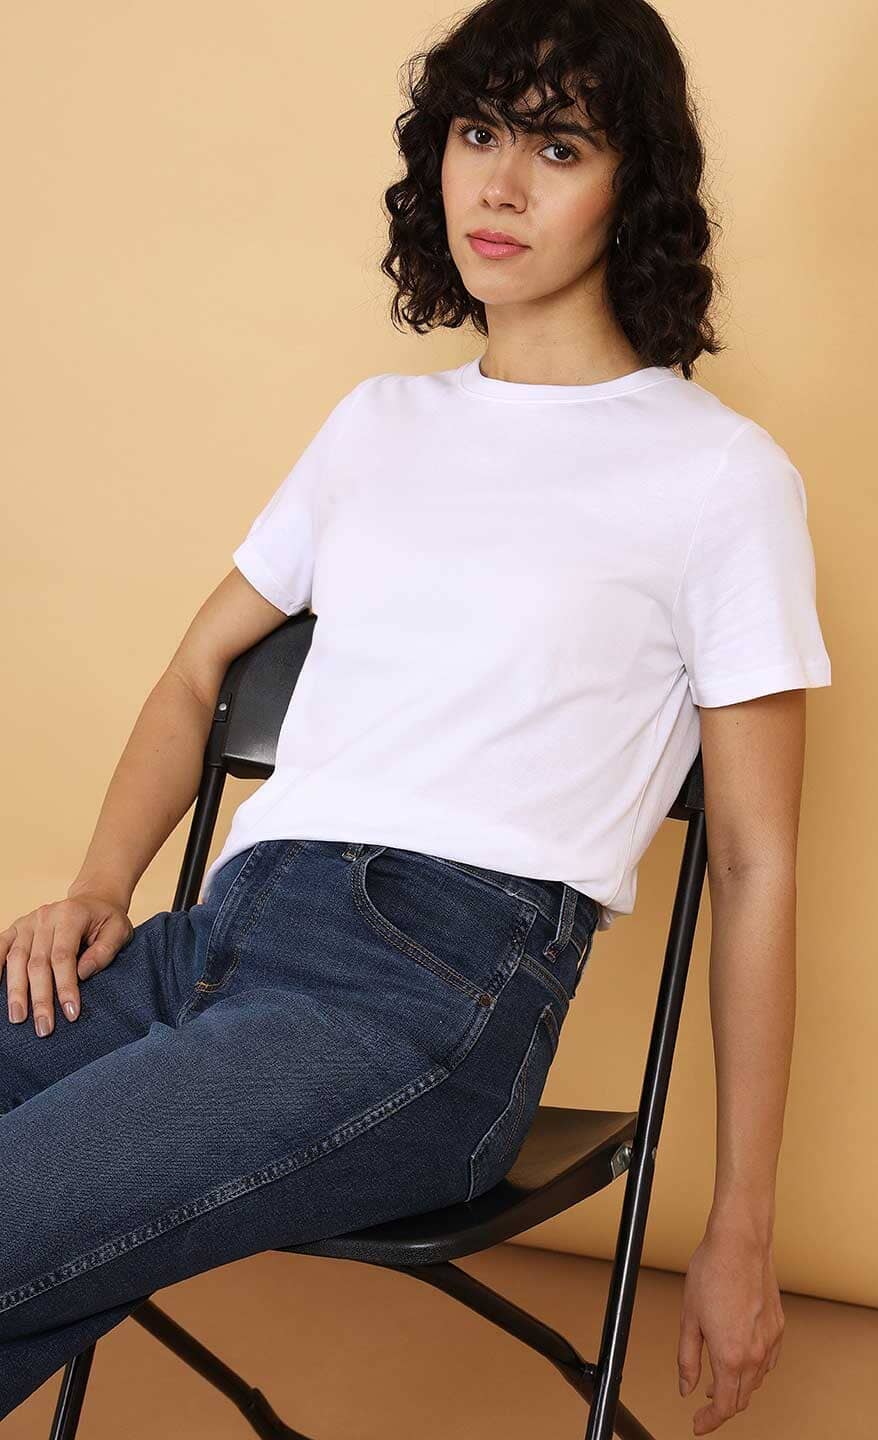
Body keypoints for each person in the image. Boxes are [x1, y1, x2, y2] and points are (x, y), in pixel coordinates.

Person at [0, 0, 831, 1431]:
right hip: (215, 941)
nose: (500, 185)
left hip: (425, 998)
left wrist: (741, 1226)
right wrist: (97, 883)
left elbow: (756, 863)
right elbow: (198, 672)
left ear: (633, 187)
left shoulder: (720, 478)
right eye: (477, 132)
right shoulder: (377, 427)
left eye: (558, 147)